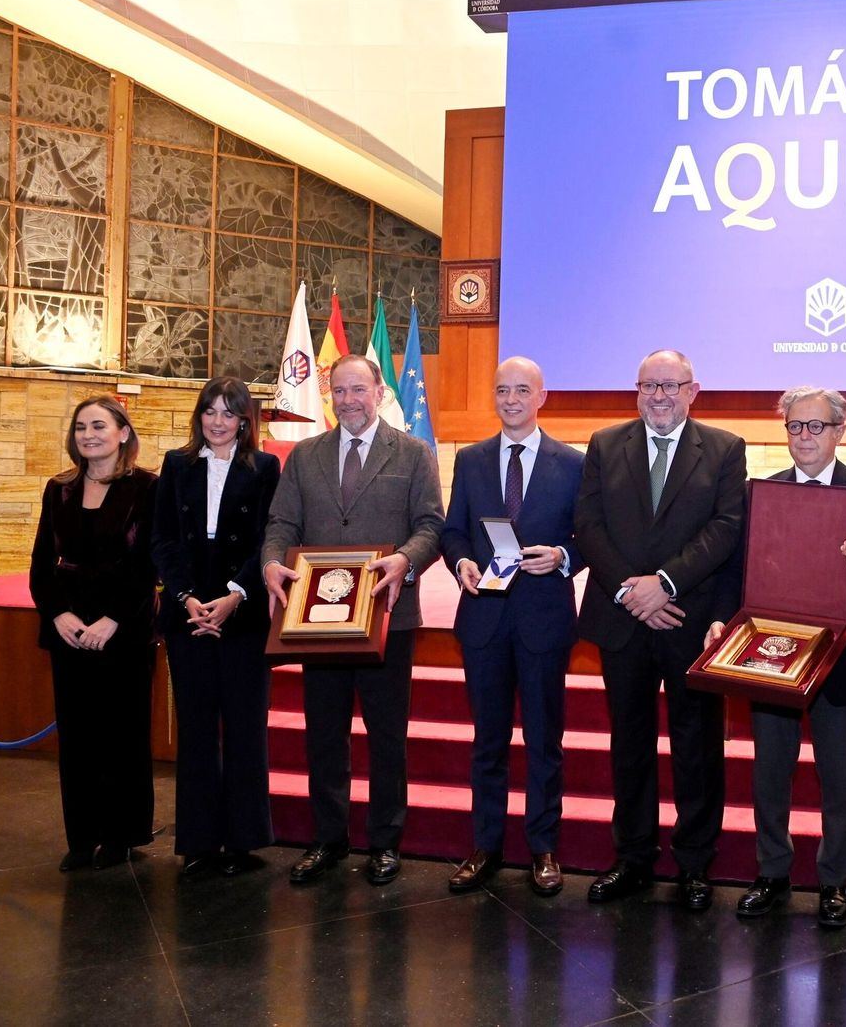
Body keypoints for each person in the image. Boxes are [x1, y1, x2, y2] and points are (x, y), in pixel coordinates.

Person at [262, 354, 445, 887]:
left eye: (357, 390)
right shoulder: (305, 455)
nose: (348, 401)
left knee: (387, 736)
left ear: (379, 390)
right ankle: (329, 838)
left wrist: (406, 560)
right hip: (317, 623)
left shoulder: (413, 454)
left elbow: (431, 525)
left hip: (387, 618)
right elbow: (282, 522)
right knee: (324, 735)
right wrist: (272, 562)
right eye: (338, 392)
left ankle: (385, 842)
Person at [575, 349, 746, 911]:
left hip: (690, 622)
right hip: (623, 618)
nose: (659, 396)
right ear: (637, 390)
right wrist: (631, 589)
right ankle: (633, 857)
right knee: (630, 744)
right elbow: (589, 525)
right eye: (650, 386)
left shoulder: (723, 449)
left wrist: (666, 583)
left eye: (670, 386)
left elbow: (726, 528)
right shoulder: (604, 444)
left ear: (693, 391)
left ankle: (695, 864)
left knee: (697, 749)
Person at [706, 386, 846, 929]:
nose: (804, 437)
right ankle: (772, 872)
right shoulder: (759, 493)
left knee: (838, 779)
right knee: (770, 772)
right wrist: (722, 619)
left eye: (815, 427)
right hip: (771, 654)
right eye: (795, 427)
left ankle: (834, 882)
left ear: (839, 431)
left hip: (841, 660)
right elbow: (736, 569)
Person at [441, 356, 584, 897]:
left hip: (544, 621)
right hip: (483, 619)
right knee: (488, 742)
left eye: (522, 390)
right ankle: (485, 846)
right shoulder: (472, 460)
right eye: (502, 390)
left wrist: (563, 556)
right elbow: (453, 530)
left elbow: (588, 536)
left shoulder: (572, 463)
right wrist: (461, 563)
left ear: (542, 396)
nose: (511, 400)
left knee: (545, 740)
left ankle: (543, 849)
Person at [151, 377, 280, 878]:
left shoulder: (265, 468)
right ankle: (200, 841)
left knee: (246, 727)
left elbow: (270, 538)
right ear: (198, 416)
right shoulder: (176, 465)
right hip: (188, 613)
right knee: (199, 730)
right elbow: (163, 539)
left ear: (246, 421)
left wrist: (234, 596)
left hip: (243, 612)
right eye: (210, 411)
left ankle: (244, 841)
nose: (218, 422)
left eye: (229, 413)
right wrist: (185, 598)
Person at [29, 396, 159, 872]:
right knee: (79, 739)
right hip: (68, 630)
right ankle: (81, 839)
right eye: (81, 427)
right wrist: (57, 613)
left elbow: (148, 563)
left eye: (99, 425)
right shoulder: (58, 489)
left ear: (123, 432)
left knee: (123, 736)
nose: (89, 434)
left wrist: (114, 619)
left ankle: (122, 836)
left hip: (123, 629)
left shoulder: (148, 488)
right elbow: (42, 563)